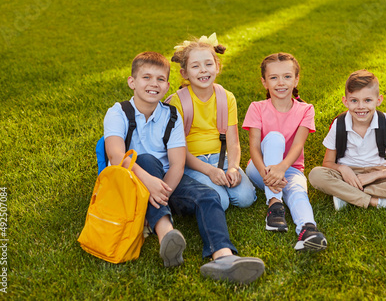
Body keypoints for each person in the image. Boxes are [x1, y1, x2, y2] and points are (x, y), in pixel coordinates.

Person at [103, 51, 264, 284]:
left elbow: (178, 164)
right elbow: (116, 155)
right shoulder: (118, 112)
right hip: (131, 180)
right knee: (147, 160)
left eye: (160, 79)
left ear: (167, 86)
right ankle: (166, 234)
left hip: (168, 181)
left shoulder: (171, 115)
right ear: (132, 82)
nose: (153, 84)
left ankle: (223, 256)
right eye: (146, 78)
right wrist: (149, 182)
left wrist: (163, 192)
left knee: (208, 196)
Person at [308, 70, 386, 213]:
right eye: (354, 100)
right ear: (345, 101)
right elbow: (327, 163)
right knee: (316, 175)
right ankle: (375, 201)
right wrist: (343, 169)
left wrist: (375, 175)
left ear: (379, 100)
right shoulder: (339, 124)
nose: (361, 107)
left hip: (379, 174)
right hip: (348, 176)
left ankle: (347, 195)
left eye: (367, 100)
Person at [243, 52, 328, 251]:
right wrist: (270, 172)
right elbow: (254, 148)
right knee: (274, 138)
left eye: (287, 76)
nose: (281, 83)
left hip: (291, 168)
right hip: (259, 168)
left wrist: (282, 169)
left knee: (297, 192)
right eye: (274, 78)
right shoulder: (257, 107)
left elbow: (298, 145)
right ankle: (274, 204)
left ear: (296, 79)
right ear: (264, 82)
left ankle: (308, 230)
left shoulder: (306, 109)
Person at [167, 33, 256, 211]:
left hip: (221, 158)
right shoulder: (178, 102)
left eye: (208, 64)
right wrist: (209, 171)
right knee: (219, 201)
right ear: (184, 73)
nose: (203, 70)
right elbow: (179, 151)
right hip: (191, 162)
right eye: (195, 66)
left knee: (246, 198)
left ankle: (223, 178)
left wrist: (232, 168)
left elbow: (233, 142)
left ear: (217, 66)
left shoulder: (227, 98)